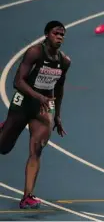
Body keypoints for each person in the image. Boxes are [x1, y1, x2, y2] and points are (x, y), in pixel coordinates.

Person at [0, 21, 70, 209]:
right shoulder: (35, 52)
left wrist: (57, 116)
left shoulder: (64, 61)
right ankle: (5, 127)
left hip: (44, 107)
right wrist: (39, 96)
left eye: (62, 34)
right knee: (3, 147)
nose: (60, 37)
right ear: (47, 34)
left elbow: (59, 88)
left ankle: (27, 196)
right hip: (24, 102)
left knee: (36, 150)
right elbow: (17, 82)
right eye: (56, 33)